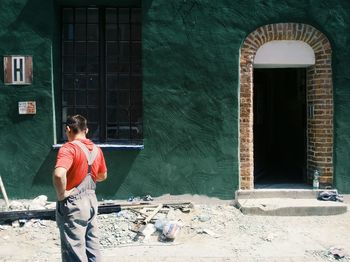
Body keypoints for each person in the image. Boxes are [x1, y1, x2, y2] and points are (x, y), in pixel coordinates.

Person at [53, 115, 107, 262]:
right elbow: (103, 175)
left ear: (68, 129)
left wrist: (62, 194)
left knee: (74, 252)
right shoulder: (97, 150)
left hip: (74, 205)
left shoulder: (68, 149)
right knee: (92, 247)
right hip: (91, 202)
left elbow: (59, 175)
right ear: (86, 130)